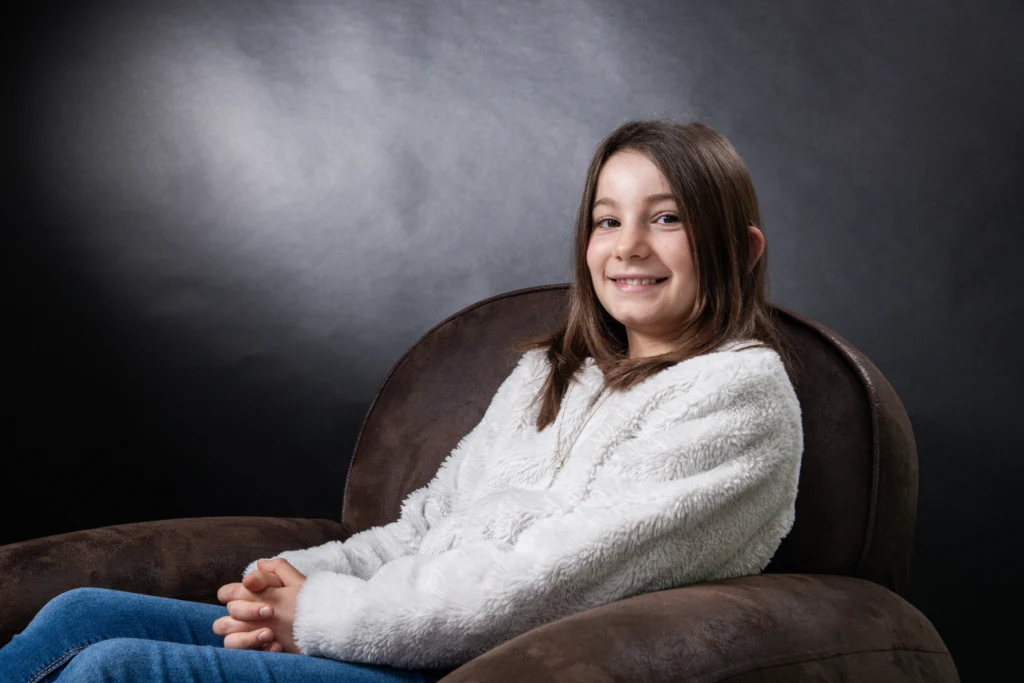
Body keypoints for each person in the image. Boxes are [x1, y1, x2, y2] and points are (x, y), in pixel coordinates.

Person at [0, 119, 804, 682]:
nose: (627, 245)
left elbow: (550, 579)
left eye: (665, 217)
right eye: (606, 218)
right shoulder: (552, 375)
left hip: (471, 664)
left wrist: (318, 617)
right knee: (79, 613)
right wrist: (284, 586)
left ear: (740, 248)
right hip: (379, 634)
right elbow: (425, 527)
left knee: (118, 668)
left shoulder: (738, 396)